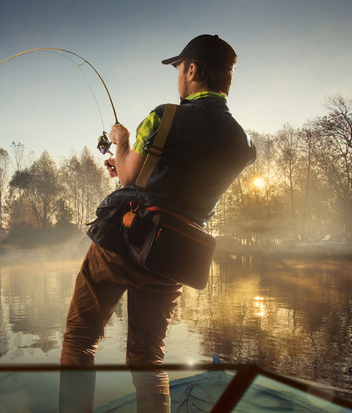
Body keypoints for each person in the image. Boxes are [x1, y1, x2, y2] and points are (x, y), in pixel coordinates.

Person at [59, 34, 256, 412]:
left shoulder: (165, 115)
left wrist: (121, 143)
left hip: (120, 243)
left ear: (193, 70)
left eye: (179, 68)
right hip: (172, 257)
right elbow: (185, 187)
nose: (178, 76)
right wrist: (132, 169)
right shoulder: (239, 141)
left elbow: (130, 178)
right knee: (148, 358)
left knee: (80, 339)